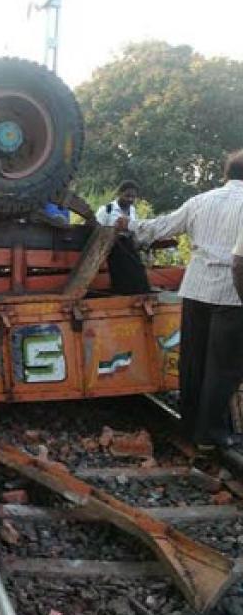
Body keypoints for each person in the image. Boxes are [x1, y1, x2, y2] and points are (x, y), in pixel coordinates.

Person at [122, 151, 243, 447]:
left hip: (197, 288)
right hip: (233, 292)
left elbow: (161, 226)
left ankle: (190, 426)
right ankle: (211, 434)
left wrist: (128, 225)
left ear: (226, 175)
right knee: (223, 366)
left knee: (193, 361)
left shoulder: (201, 201)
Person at [99, 180, 150, 295]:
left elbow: (134, 228)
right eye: (127, 196)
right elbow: (98, 231)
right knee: (120, 275)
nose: (130, 199)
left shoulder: (132, 210)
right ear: (120, 194)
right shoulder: (107, 210)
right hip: (114, 248)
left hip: (129, 246)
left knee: (138, 270)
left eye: (133, 197)